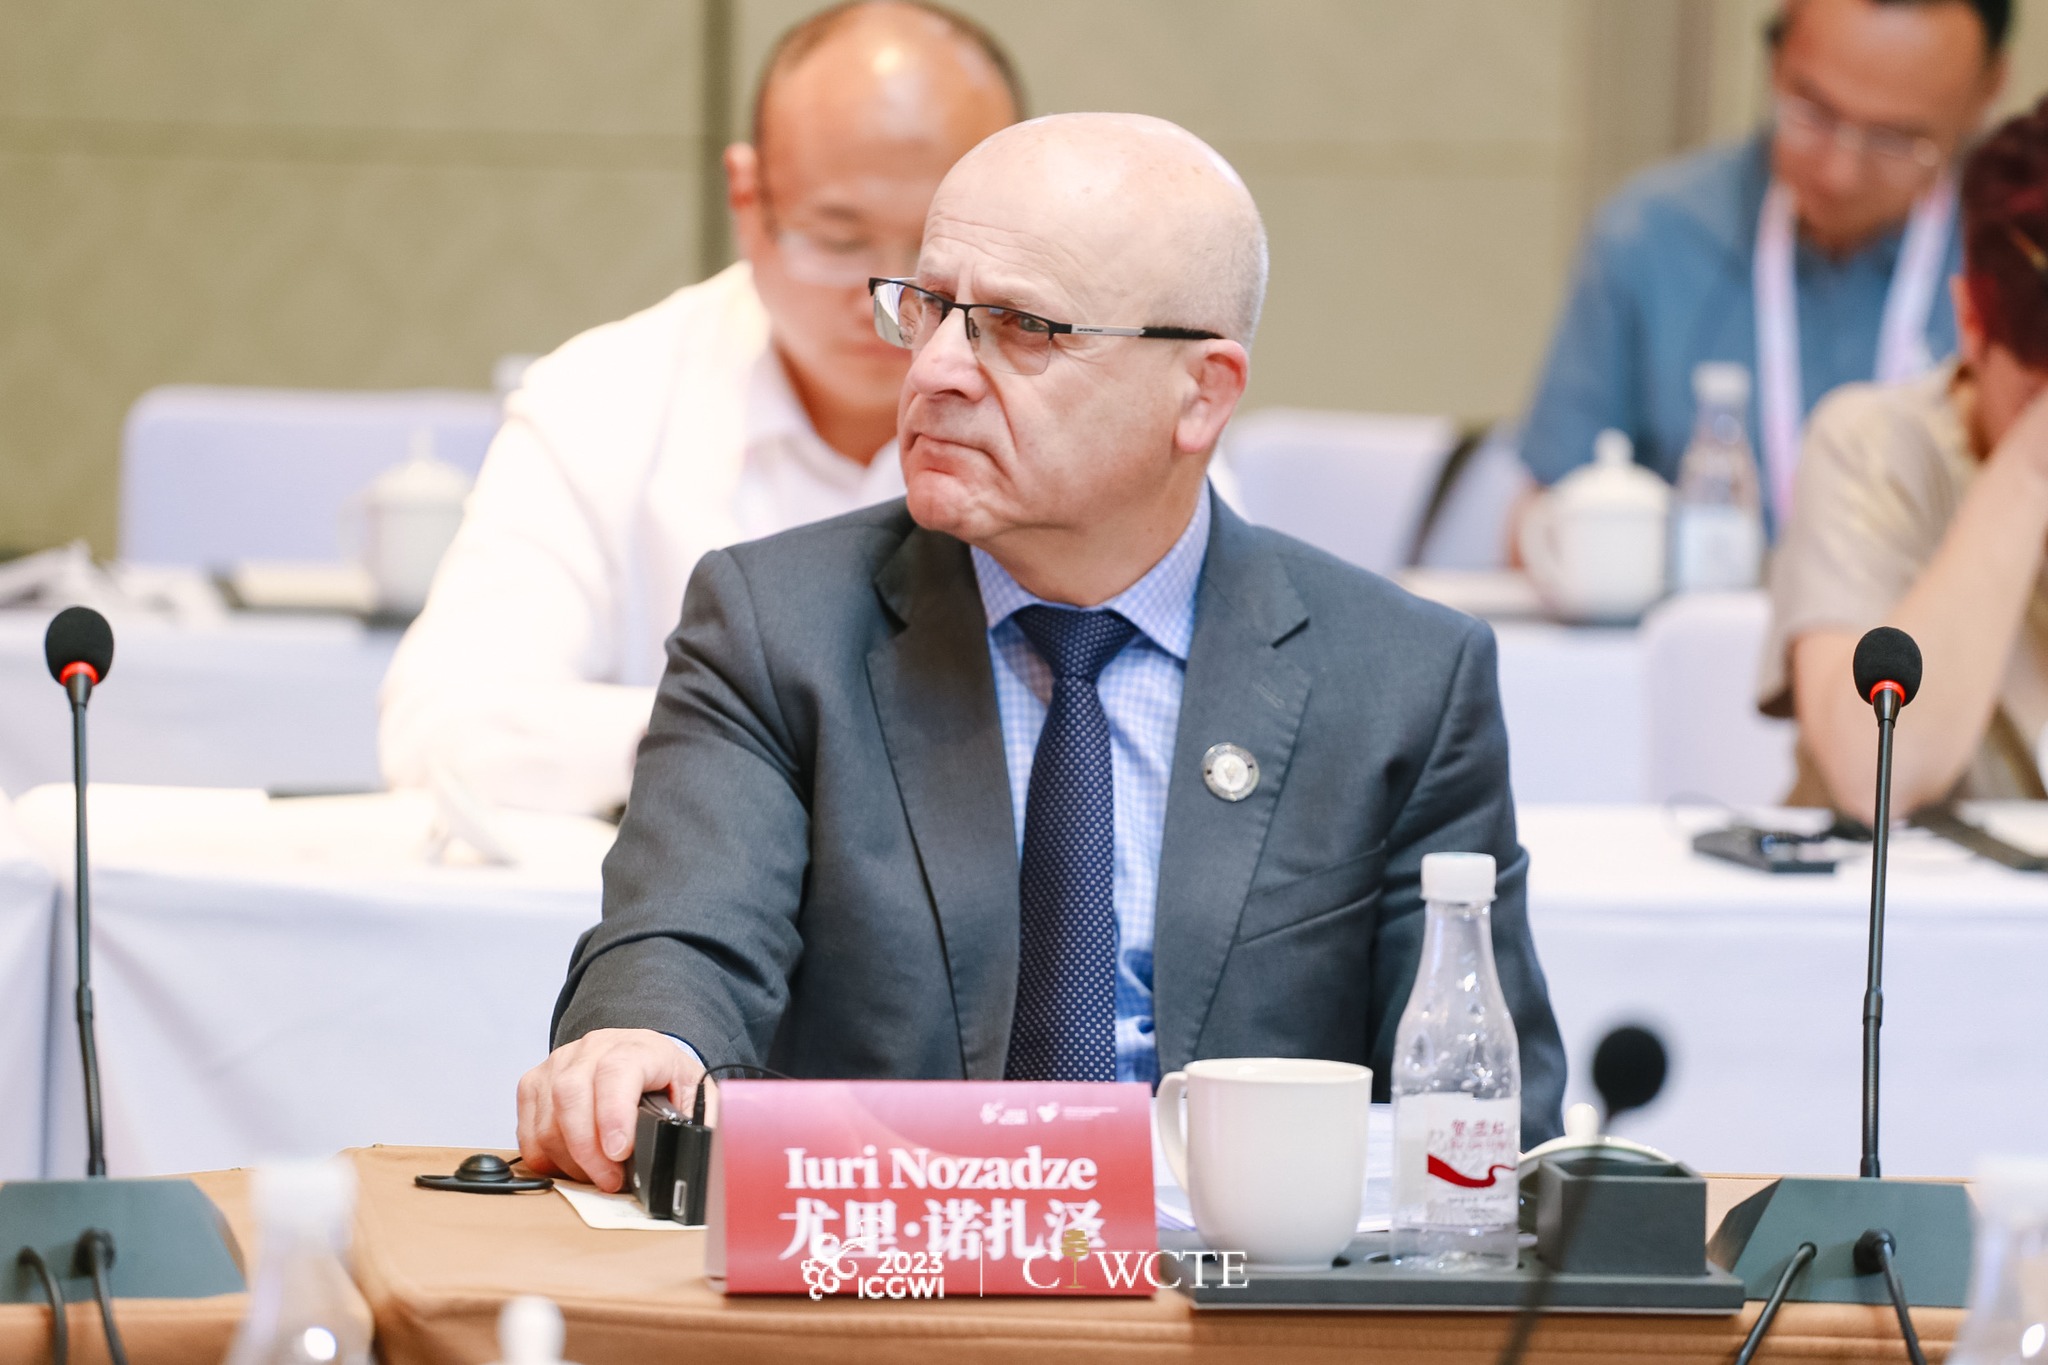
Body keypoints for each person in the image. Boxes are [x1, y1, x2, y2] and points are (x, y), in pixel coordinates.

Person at [516, 112, 1568, 1192]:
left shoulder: (1399, 680)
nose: (935, 370)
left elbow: (1485, 1116)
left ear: (1201, 392)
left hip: (1239, 1277)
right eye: (928, 308)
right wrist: (648, 1041)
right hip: (891, 1266)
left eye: (1021, 327)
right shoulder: (778, 626)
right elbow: (683, 942)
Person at [377, 2, 1020, 816]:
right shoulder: (605, 399)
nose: (890, 302)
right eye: (837, 239)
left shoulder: (1085, 402)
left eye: (934, 252)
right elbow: (443, 729)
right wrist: (742, 735)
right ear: (748, 198)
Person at [1520, 0, 2009, 527]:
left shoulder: (2019, 264)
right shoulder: (1651, 237)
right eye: (1812, 113)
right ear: (1775, 62)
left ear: (1987, 93)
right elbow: (1542, 513)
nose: (1840, 173)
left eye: (1897, 139)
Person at [1763, 97, 2048, 820]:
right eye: (2035, 390)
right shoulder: (1872, 446)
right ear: (1971, 320)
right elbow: (1873, 777)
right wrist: (2029, 466)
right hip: (1895, 887)